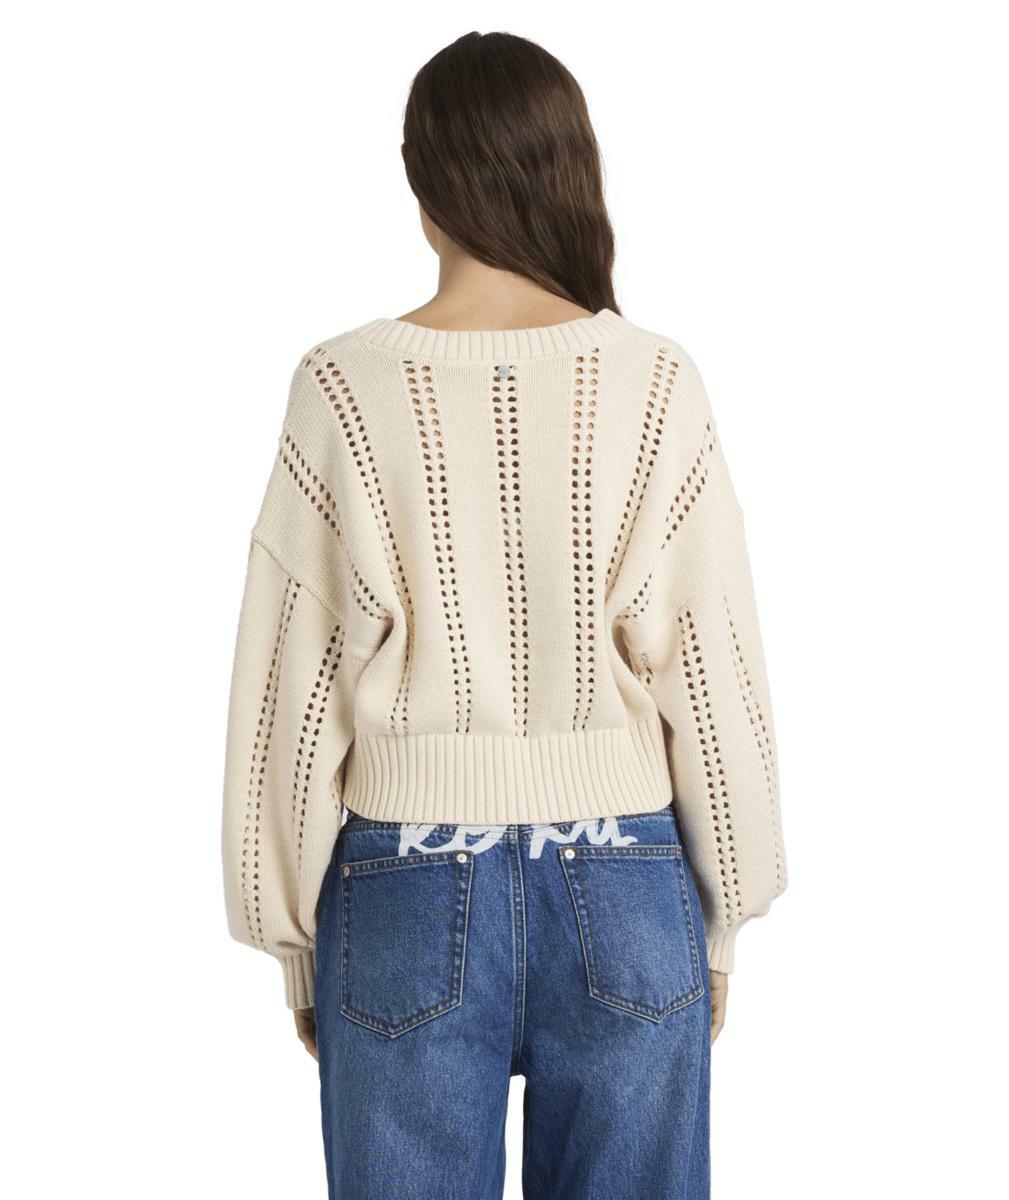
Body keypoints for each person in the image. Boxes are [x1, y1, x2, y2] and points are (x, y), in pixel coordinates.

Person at [221, 30, 787, 1200]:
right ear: (572, 167)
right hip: (626, 883)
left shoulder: (342, 385)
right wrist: (723, 915)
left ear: (418, 177)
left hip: (400, 887)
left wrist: (293, 941)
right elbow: (709, 663)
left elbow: (292, 686)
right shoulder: (654, 379)